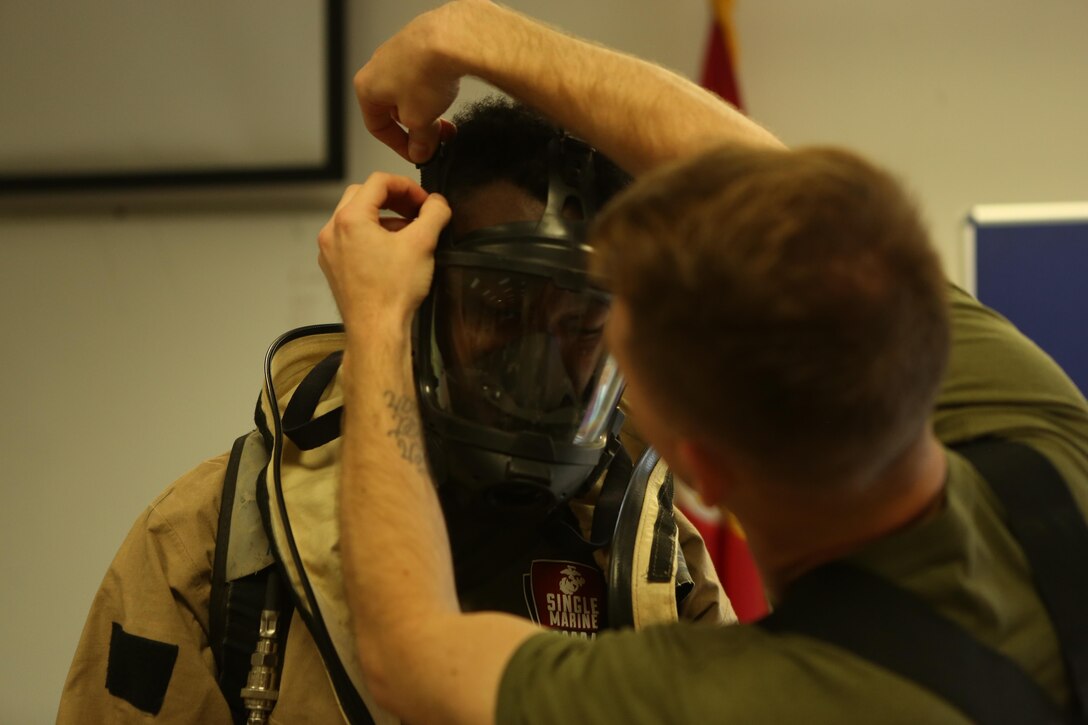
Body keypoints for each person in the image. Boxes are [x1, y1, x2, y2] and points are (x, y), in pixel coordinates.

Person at [321, 2, 1088, 723]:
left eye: (590, 331)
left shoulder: (745, 698)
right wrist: (469, 30)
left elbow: (410, 652)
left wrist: (380, 316)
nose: (553, 369)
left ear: (704, 472)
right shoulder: (1050, 440)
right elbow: (776, 198)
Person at [56, 97, 731, 724]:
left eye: (582, 327)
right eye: (500, 310)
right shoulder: (215, 540)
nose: (539, 370)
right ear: (423, 298)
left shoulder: (657, 566)